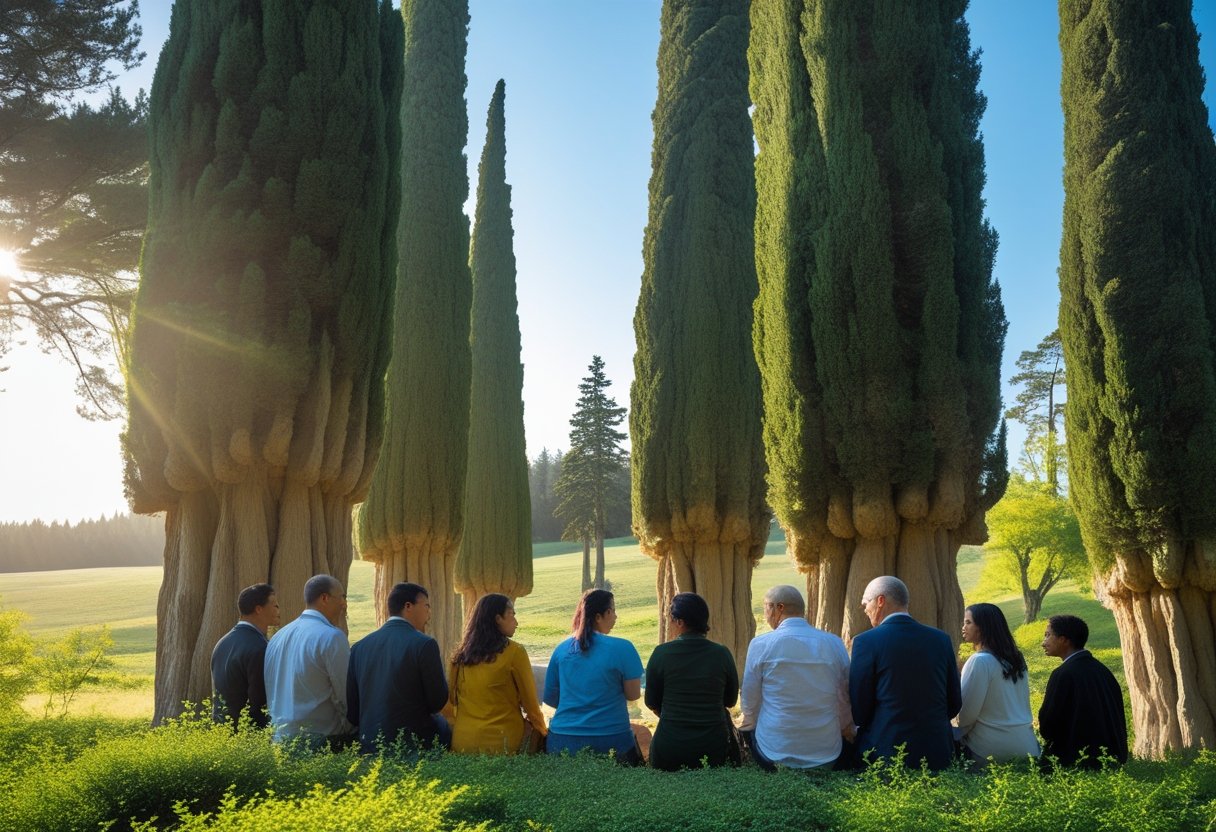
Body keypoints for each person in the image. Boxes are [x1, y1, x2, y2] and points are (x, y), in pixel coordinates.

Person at [849, 575, 961, 770]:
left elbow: (860, 710)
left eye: (865, 603)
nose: (865, 610)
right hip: (937, 752)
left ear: (880, 600)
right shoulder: (940, 639)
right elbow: (954, 702)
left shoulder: (865, 642)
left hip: (886, 752)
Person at [739, 585, 853, 770]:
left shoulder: (760, 644)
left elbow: (749, 703)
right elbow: (845, 696)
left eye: (766, 607)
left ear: (779, 608)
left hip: (773, 753)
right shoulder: (834, 643)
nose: (766, 614)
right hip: (827, 754)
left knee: (749, 728)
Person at [347, 582, 450, 754]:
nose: (429, 614)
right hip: (413, 746)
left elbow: (352, 713)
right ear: (408, 606)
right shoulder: (424, 644)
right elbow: (437, 702)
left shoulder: (359, 647)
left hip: (370, 745)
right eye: (426, 606)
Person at [543, 589, 644, 763]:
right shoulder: (623, 648)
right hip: (611, 739)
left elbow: (551, 699)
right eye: (612, 611)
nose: (615, 617)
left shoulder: (561, 649)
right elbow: (633, 695)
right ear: (599, 616)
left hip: (562, 740)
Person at [644, 593, 739, 771]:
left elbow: (651, 702)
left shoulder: (662, 654)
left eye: (671, 619)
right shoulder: (721, 653)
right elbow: (730, 701)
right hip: (713, 749)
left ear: (679, 622)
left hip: (669, 748)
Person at [446, 593, 547, 754]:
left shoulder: (459, 656)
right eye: (512, 615)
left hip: (462, 743)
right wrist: (543, 732)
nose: (516, 622)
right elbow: (531, 707)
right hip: (502, 744)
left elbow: (451, 701)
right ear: (498, 619)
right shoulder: (515, 652)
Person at [263, 574, 353, 747]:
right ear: (324, 598)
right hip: (321, 742)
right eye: (342, 597)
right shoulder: (331, 637)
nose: (344, 604)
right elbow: (344, 695)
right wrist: (354, 731)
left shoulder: (277, 637)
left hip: (280, 739)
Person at [1038, 614, 1128, 768]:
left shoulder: (1063, 674)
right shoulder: (1103, 671)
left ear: (1064, 640)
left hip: (1077, 761)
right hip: (1112, 759)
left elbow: (1048, 724)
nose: (1043, 643)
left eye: (1048, 635)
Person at [955, 603, 1040, 765]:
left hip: (990, 750)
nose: (963, 627)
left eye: (968, 622)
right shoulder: (1016, 658)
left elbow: (966, 715)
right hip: (1028, 747)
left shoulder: (979, 661)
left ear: (982, 628)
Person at [210, 582, 280, 728]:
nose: (278, 608)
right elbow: (260, 702)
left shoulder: (222, 643)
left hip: (222, 732)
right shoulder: (259, 648)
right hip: (248, 736)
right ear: (259, 609)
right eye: (274, 605)